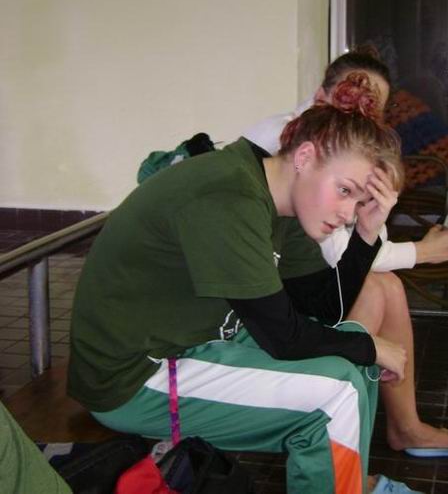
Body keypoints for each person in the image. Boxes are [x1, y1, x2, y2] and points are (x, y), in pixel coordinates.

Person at [68, 100, 420, 494]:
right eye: (345, 191)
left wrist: (367, 235)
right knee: (339, 389)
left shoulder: (283, 200)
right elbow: (284, 338)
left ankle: (351, 485)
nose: (348, 214)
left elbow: (325, 310)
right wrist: (370, 347)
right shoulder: (228, 196)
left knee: (352, 351)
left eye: (359, 203)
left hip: (191, 342)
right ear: (304, 157)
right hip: (132, 377)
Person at [244, 50, 448, 455]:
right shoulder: (294, 143)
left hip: (292, 275)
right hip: (263, 291)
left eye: (371, 109)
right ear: (321, 96)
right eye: (350, 100)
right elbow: (341, 249)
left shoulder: (340, 145)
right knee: (374, 288)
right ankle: (331, 447)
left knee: (386, 286)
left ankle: (404, 429)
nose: (359, 115)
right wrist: (423, 252)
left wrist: (381, 226)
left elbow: (360, 239)